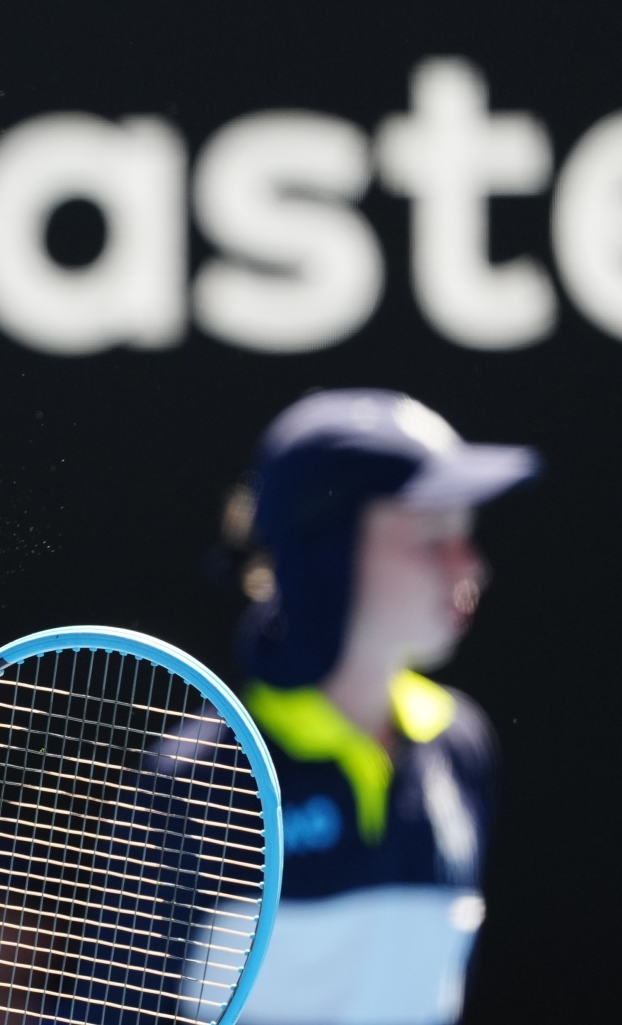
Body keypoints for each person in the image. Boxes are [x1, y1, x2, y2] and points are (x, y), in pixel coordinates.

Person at [221, 389, 535, 1025]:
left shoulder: (462, 745)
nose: (468, 564)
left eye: (465, 533)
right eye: (430, 536)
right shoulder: (198, 779)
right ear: (326, 556)